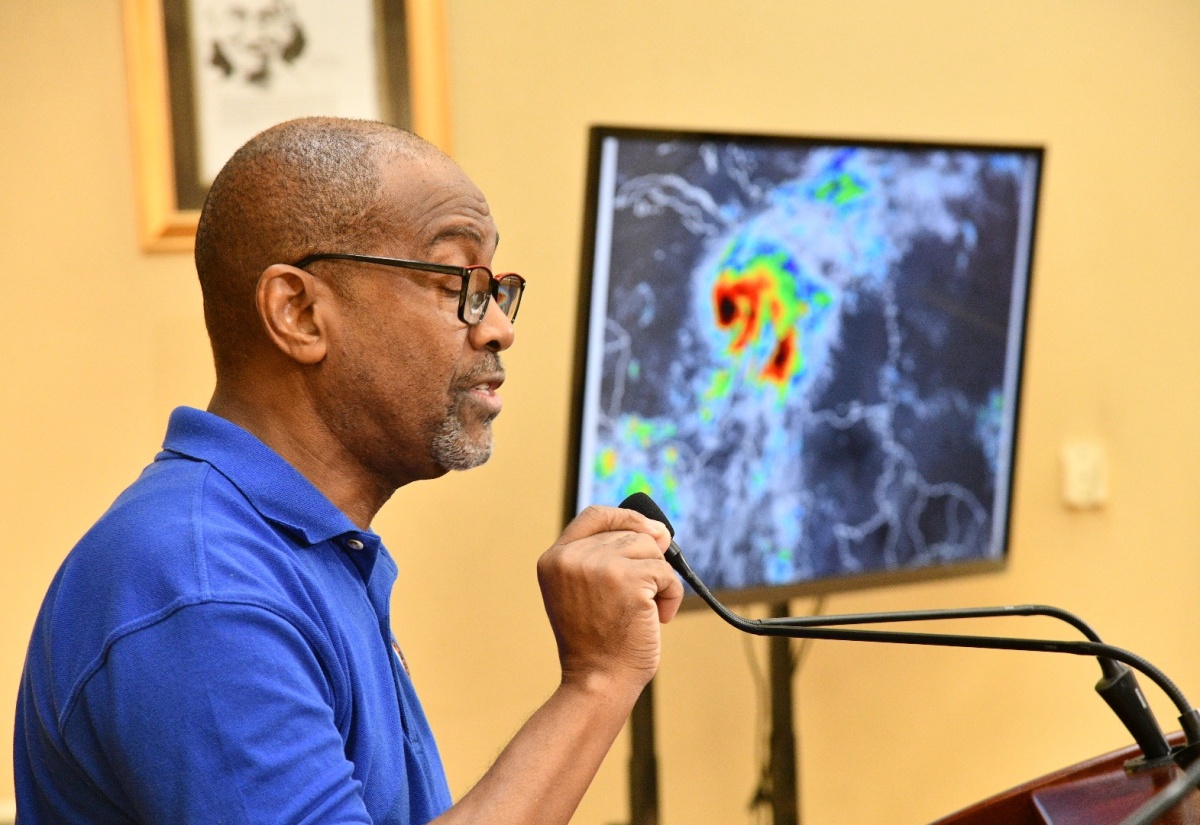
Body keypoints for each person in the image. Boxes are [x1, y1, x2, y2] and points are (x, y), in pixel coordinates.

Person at [15, 117, 683, 824]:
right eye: (457, 279)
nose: (497, 327)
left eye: (494, 286)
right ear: (298, 312)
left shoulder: (300, 547)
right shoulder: (203, 587)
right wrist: (597, 681)